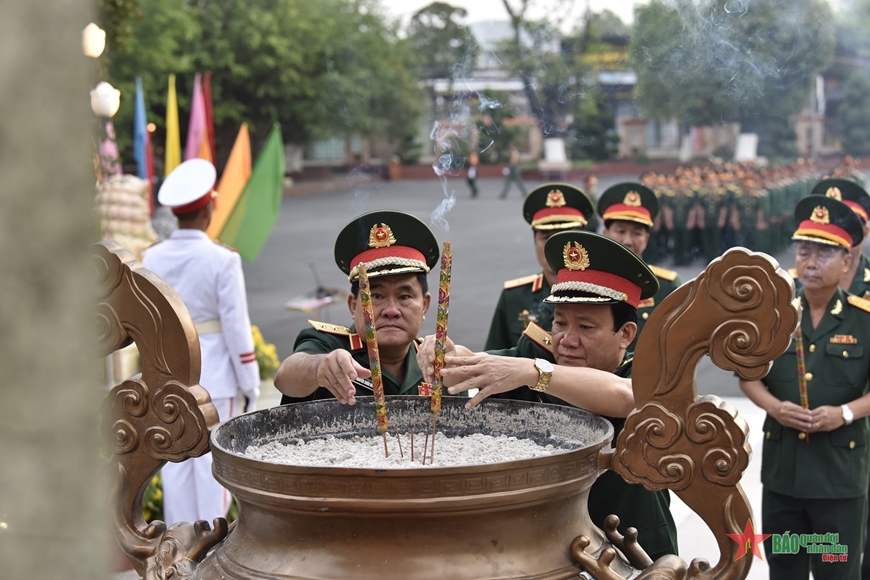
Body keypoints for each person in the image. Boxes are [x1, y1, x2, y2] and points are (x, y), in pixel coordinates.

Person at [420, 231, 678, 561]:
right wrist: (445, 353)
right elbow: (475, 365)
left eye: (586, 328)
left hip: (632, 549)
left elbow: (628, 397)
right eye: (559, 323)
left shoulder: (645, 371)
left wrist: (535, 373)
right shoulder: (538, 353)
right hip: (552, 551)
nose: (567, 340)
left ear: (625, 334)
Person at [738, 195, 870, 580]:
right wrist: (775, 408)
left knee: (836, 571)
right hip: (784, 474)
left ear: (847, 261)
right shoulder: (772, 314)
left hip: (839, 476)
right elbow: (749, 377)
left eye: (824, 254)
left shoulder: (863, 320)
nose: (811, 262)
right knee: (785, 568)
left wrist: (844, 413)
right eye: (804, 251)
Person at [141, 158, 261, 526]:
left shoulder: (150, 257)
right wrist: (250, 382)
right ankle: (210, 554)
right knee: (213, 466)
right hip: (215, 377)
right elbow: (236, 328)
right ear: (209, 207)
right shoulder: (222, 259)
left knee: (175, 466)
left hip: (167, 377)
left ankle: (178, 552)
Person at [275, 210, 440, 405]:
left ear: (425, 306)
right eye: (376, 296)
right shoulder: (328, 345)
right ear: (353, 306)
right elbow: (285, 377)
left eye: (404, 297)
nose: (391, 310)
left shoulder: (435, 361)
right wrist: (319, 367)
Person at [484, 183, 594, 350]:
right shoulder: (514, 297)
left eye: (565, 239)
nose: (555, 249)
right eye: (547, 239)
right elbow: (492, 357)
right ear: (534, 243)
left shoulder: (603, 297)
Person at [596, 182, 680, 349]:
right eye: (620, 231)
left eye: (636, 233)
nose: (627, 241)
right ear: (606, 235)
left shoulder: (665, 286)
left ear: (646, 239)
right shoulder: (587, 281)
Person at [811, 178, 870, 300]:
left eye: (847, 228)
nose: (838, 237)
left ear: (864, 233)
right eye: (830, 229)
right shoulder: (796, 284)